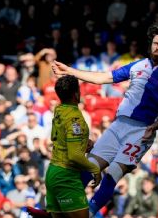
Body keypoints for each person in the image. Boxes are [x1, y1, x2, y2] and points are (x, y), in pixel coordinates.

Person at [52, 25, 158, 216]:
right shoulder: (138, 65)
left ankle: (88, 213)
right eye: (155, 43)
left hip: (141, 131)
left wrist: (154, 127)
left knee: (112, 173)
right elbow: (103, 77)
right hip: (118, 125)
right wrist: (70, 71)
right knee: (89, 166)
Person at [44, 75, 101, 218]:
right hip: (66, 176)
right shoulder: (75, 119)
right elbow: (74, 155)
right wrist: (95, 169)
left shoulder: (59, 110)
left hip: (52, 172)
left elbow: (61, 136)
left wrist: (82, 142)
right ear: (77, 93)